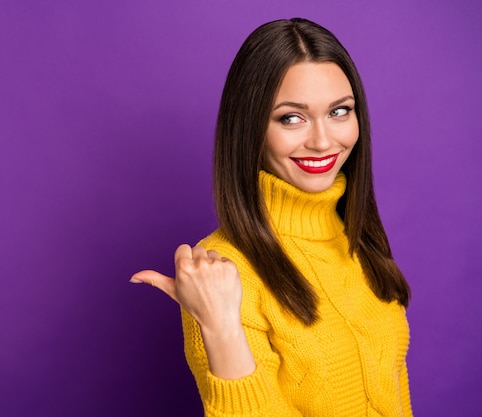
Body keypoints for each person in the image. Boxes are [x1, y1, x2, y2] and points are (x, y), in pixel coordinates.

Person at [131, 17, 412, 417]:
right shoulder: (221, 273)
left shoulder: (357, 239)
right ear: (250, 128)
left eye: (339, 111)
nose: (322, 141)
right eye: (291, 117)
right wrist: (219, 327)